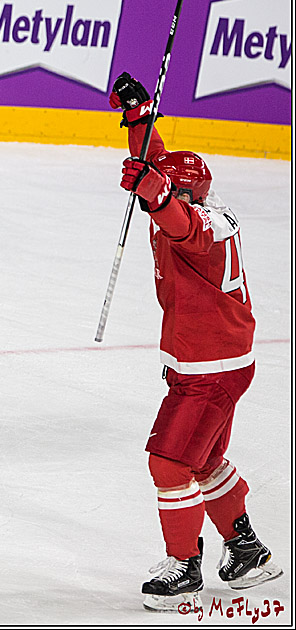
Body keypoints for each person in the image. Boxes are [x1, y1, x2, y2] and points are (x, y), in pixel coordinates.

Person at [108, 72, 282, 611]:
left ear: (186, 193)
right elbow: (157, 166)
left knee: (168, 461)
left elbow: (181, 223)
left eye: (166, 187)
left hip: (211, 369)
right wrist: (139, 117)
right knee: (203, 459)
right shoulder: (189, 200)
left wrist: (155, 193)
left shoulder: (202, 224)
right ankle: (247, 551)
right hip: (214, 362)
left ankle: (183, 566)